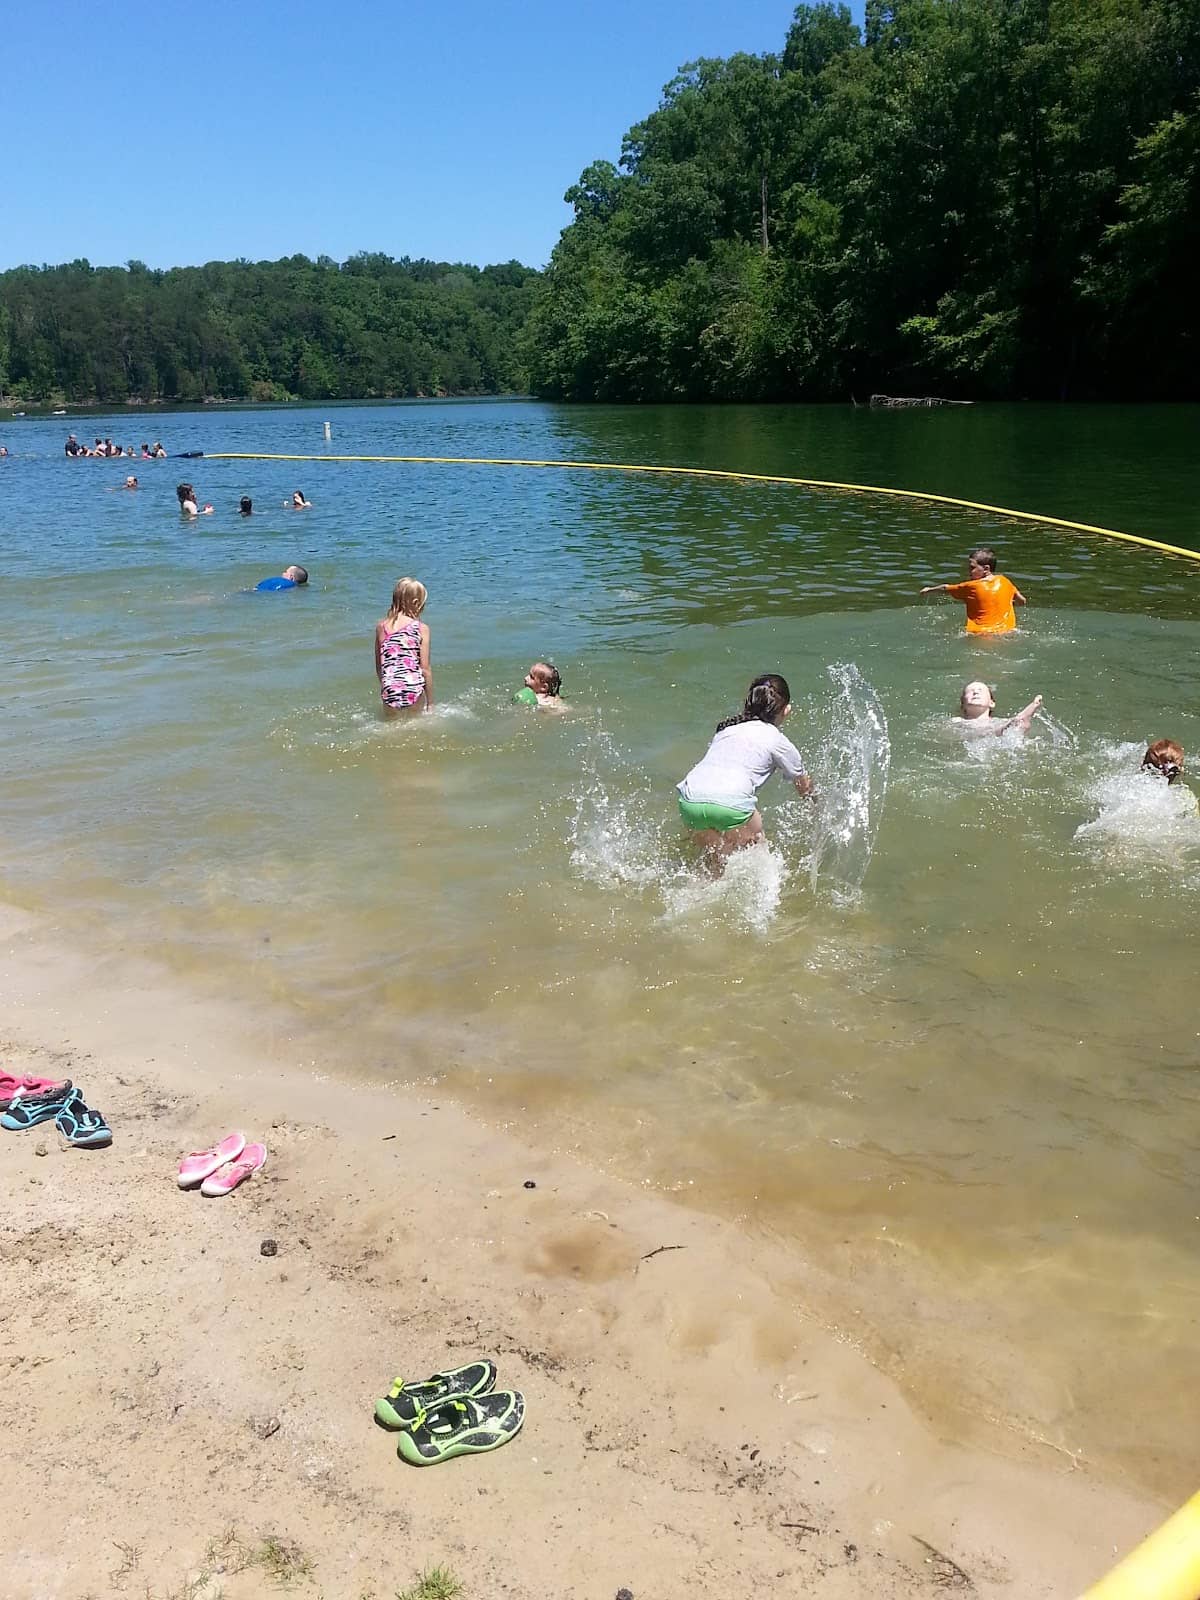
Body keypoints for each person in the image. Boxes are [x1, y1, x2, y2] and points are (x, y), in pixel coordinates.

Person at [676, 673, 813, 870]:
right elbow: (805, 788)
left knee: (714, 863)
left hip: (689, 801)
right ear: (786, 710)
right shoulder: (778, 741)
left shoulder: (725, 730)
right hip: (731, 805)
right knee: (759, 849)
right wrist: (817, 808)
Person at [920, 547, 1026, 634]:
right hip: (1008, 631)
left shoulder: (971, 587)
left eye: (972, 568)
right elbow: (1022, 601)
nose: (968, 571)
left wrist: (928, 590)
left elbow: (945, 588)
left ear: (986, 569)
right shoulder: (1005, 581)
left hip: (980, 635)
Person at [375, 577, 432, 713]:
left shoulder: (381, 627)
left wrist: (387, 687)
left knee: (391, 723)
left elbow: (379, 667)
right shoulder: (421, 628)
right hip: (413, 687)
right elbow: (425, 669)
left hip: (390, 689)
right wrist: (431, 703)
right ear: (416, 603)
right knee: (416, 722)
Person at [954, 681, 1043, 735]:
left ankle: (1022, 718)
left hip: (996, 738)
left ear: (991, 703)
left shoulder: (1000, 721)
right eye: (970, 691)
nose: (976, 692)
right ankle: (1020, 719)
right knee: (1009, 726)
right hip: (989, 734)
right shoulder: (957, 722)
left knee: (1017, 726)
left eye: (981, 690)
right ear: (963, 704)